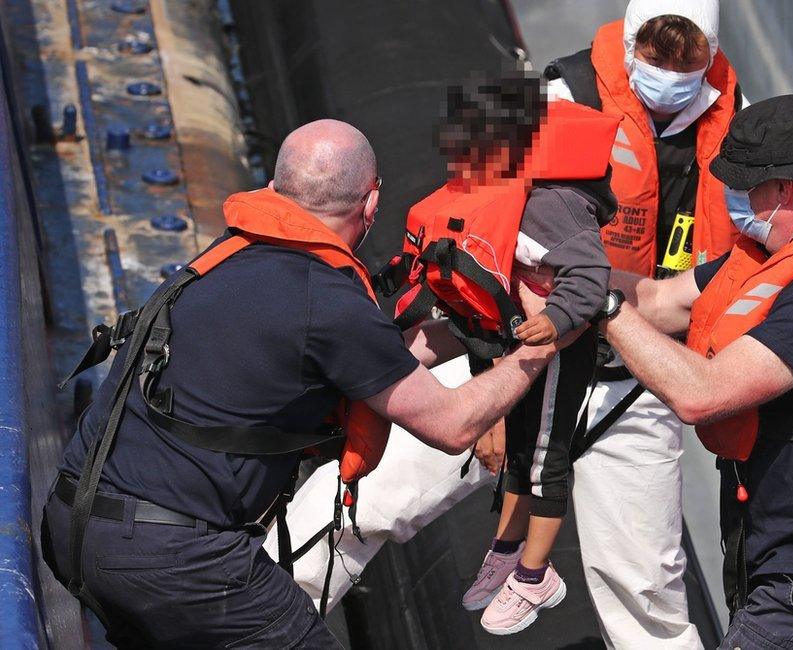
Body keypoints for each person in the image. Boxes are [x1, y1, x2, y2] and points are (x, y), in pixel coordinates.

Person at [41, 119, 574, 648]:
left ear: (274, 190)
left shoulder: (229, 257)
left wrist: (477, 331)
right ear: (370, 204)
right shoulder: (329, 300)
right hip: (178, 561)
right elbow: (454, 425)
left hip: (75, 524)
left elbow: (373, 359)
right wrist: (542, 341)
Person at [579, 94, 793, 649]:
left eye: (741, 186)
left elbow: (702, 394)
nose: (731, 199)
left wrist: (600, 309)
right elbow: (666, 301)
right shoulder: (768, 256)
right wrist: (577, 271)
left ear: (782, 189)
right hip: (786, 550)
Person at [541, 0, 742, 646]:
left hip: (637, 378)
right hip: (532, 354)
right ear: (629, 46)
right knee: (373, 499)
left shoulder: (735, 121)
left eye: (687, 61)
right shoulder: (562, 93)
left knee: (647, 593)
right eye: (656, 57)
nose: (670, 74)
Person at [394, 74, 616, 635]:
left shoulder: (552, 204)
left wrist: (553, 320)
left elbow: (589, 278)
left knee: (545, 460)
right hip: (512, 343)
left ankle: (537, 577)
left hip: (556, 351)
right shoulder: (492, 193)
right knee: (518, 454)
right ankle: (508, 547)